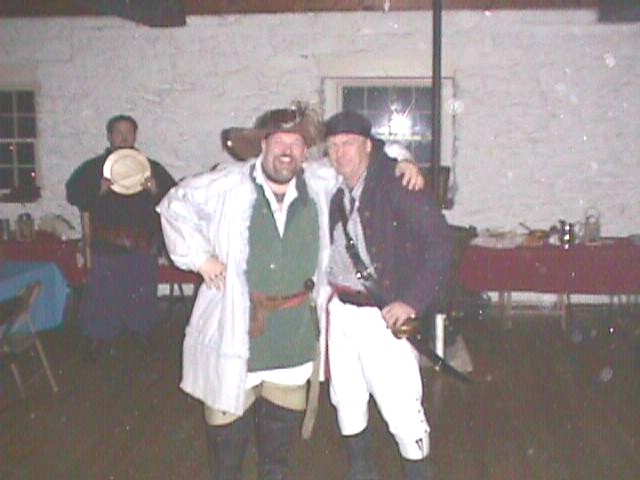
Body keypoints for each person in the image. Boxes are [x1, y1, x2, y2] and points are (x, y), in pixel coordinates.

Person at [156, 103, 424, 480]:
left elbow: (369, 153)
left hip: (292, 337)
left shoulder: (319, 181)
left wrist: (403, 160)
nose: (287, 150)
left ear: (306, 151)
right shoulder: (228, 183)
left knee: (277, 455)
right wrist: (200, 258)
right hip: (235, 326)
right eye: (279, 141)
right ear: (263, 144)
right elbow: (174, 205)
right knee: (227, 453)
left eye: (296, 143)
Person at [324, 111, 454, 480]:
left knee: (401, 407)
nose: (340, 153)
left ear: (368, 146)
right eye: (333, 146)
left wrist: (411, 301)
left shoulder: (395, 184)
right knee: (347, 399)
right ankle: (361, 472)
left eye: (348, 144)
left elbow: (441, 243)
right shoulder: (338, 190)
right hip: (341, 311)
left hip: (381, 314)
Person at [66, 114, 176, 360]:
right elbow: (74, 194)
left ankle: (142, 334)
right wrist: (97, 190)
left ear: (135, 136)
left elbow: (174, 199)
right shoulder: (95, 168)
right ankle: (100, 338)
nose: (124, 137)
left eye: (129, 132)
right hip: (108, 244)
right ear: (109, 136)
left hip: (143, 244)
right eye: (119, 132)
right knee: (103, 295)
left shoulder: (150, 168)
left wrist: (156, 190)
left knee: (143, 294)